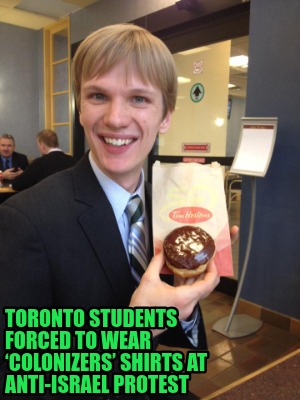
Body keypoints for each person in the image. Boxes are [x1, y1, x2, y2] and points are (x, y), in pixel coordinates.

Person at [0, 24, 235, 399]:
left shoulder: (171, 210)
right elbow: (17, 372)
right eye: (98, 95)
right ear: (80, 108)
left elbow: (177, 346)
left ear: (166, 115)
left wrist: (185, 306)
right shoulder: (25, 220)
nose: (115, 118)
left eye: (139, 99)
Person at [12, 129, 77, 191]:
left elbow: (16, 185)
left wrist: (24, 174)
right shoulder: (73, 161)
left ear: (42, 145)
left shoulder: (39, 163)